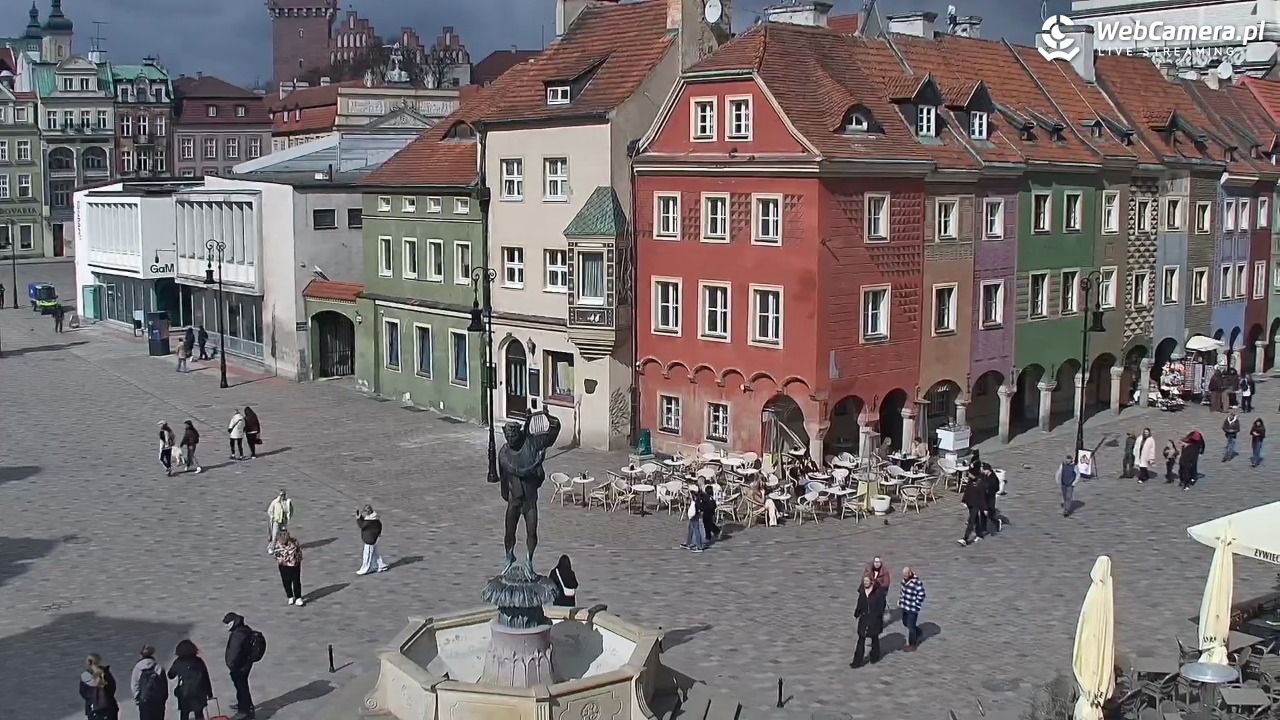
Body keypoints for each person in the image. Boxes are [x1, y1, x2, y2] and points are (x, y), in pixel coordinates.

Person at [222, 612, 258, 719]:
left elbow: (234, 652)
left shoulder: (238, 634)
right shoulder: (244, 629)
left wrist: (231, 665)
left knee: (242, 688)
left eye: (228, 624)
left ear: (233, 622)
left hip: (240, 666)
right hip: (245, 663)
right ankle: (245, 706)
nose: (226, 627)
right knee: (242, 686)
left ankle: (245, 710)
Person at [168, 640, 213, 720]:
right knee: (199, 713)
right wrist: (209, 693)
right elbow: (206, 678)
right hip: (199, 692)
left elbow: (170, 675)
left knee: (184, 714)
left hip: (184, 693)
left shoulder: (178, 662)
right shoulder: (199, 661)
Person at [850, 575, 886, 668]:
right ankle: (857, 661)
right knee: (861, 639)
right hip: (864, 619)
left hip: (875, 620)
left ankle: (875, 656)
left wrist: (877, 615)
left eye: (867, 581)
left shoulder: (878, 592)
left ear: (871, 581)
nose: (865, 582)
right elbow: (860, 603)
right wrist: (857, 613)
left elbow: (882, 605)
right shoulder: (862, 592)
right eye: (864, 581)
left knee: (874, 638)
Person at [130, 645, 167, 720]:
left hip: (144, 699)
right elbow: (164, 685)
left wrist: (137, 698)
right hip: (158, 700)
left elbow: (134, 684)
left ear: (141, 655)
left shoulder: (137, 668)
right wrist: (163, 698)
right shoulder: (158, 667)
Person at [80, 654, 119, 720]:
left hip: (95, 710)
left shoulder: (86, 675)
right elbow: (112, 688)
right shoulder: (106, 673)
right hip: (109, 708)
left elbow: (83, 692)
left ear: (89, 662)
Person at [273, 531, 304, 606]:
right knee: (286, 581)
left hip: (295, 564)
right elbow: (276, 555)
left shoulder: (294, 541)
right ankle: (290, 596)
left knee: (296, 581)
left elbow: (299, 551)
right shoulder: (276, 545)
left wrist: (298, 559)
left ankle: (298, 597)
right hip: (284, 566)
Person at [899, 566, 927, 651]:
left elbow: (922, 594)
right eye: (903, 575)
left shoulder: (916, 582)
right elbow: (902, 592)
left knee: (911, 627)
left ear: (910, 573)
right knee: (905, 623)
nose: (904, 576)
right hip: (905, 606)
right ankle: (918, 632)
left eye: (906, 574)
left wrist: (916, 604)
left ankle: (912, 645)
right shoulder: (904, 581)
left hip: (912, 608)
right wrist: (900, 601)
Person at [355, 504, 389, 575]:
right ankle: (381, 565)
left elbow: (362, 525)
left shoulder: (369, 521)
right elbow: (379, 525)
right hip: (374, 538)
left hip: (369, 540)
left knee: (367, 554)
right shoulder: (375, 518)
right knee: (375, 553)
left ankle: (366, 568)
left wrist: (358, 518)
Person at [958, 469, 987, 545]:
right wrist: (964, 500)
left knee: (971, 521)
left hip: (976, 505)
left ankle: (965, 539)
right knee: (976, 520)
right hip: (970, 503)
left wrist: (984, 508)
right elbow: (967, 491)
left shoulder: (981, 483)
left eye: (970, 474)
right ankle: (980, 535)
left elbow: (982, 497)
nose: (969, 475)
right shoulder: (970, 481)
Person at [267, 489, 294, 554]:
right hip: (276, 521)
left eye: (284, 495)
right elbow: (270, 510)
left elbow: (291, 510)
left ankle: (282, 546)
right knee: (275, 534)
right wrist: (272, 517)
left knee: (283, 534)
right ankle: (272, 547)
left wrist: (288, 517)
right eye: (281, 495)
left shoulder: (287, 502)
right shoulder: (275, 502)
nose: (282, 496)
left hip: (283, 521)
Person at [682, 486, 706, 553]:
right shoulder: (697, 497)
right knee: (691, 528)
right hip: (695, 513)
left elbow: (693, 506)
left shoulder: (695, 499)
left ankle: (699, 546)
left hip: (694, 514)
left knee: (696, 529)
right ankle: (688, 543)